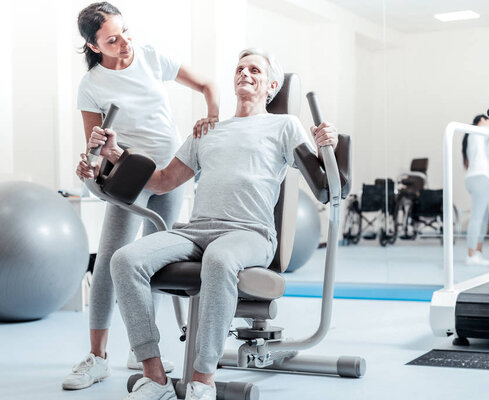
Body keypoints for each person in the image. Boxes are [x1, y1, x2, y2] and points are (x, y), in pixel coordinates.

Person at [77, 48, 338, 400]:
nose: (245, 73)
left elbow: (323, 185)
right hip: (197, 231)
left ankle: (203, 379)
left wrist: (328, 147)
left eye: (255, 71)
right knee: (125, 260)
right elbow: (163, 181)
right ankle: (154, 375)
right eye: (240, 68)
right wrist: (116, 154)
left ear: (272, 85)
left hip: (250, 233)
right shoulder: (207, 130)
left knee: (219, 259)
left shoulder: (284, 125)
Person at [63, 2, 219, 391]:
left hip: (172, 171)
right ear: (94, 46)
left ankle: (140, 347)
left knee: (155, 262)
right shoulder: (92, 85)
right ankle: (98, 357)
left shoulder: (150, 56)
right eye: (112, 40)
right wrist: (90, 163)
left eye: (126, 32)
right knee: (112, 259)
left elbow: (207, 85)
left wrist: (211, 115)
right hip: (131, 176)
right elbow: (95, 152)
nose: (124, 43)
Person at [461, 114, 489, 266]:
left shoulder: (478, 137)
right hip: (478, 178)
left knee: (484, 218)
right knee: (477, 217)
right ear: (481, 121)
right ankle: (471, 254)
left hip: (482, 178)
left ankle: (478, 253)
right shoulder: (477, 131)